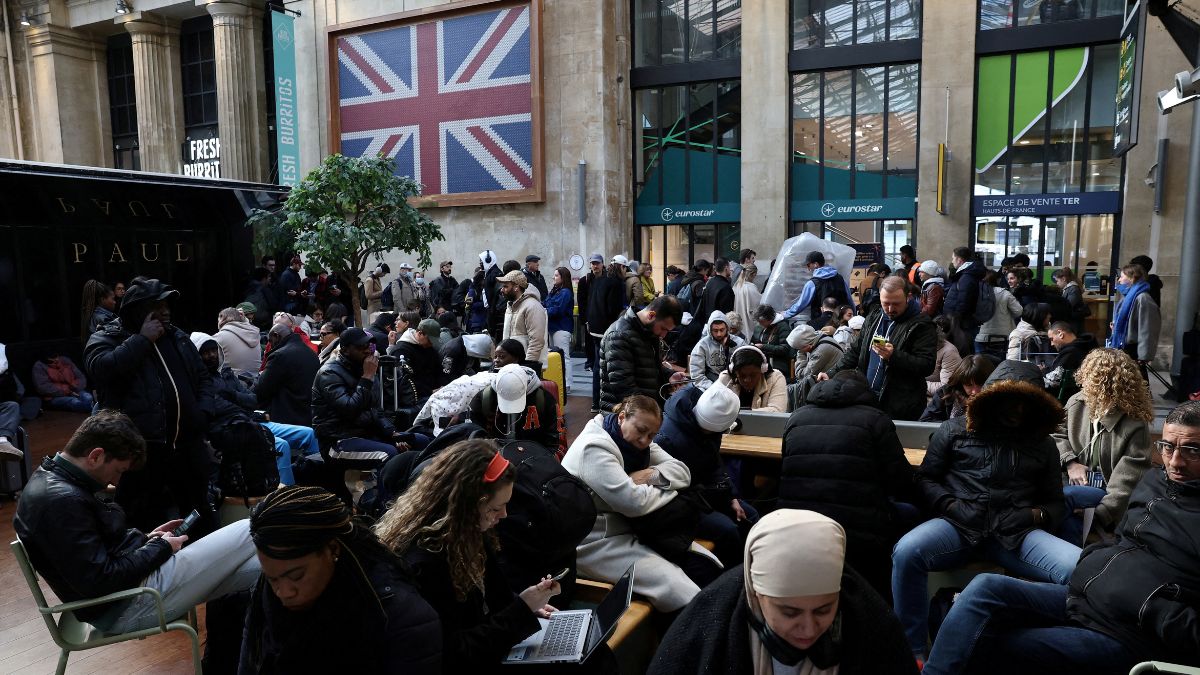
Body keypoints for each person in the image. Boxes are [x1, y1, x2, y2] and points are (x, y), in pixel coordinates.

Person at [922, 400, 1200, 674]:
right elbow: (1123, 542)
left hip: (1132, 635)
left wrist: (1151, 608)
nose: (1175, 461)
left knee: (993, 642)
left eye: (1191, 450)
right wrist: (1095, 559)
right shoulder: (1153, 481)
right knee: (984, 589)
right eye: (1167, 447)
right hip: (1088, 598)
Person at [893, 360, 1080, 661]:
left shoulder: (1042, 444)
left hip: (1016, 534)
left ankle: (1027, 644)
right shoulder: (954, 430)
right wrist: (950, 505)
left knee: (1079, 570)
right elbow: (925, 479)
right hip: (960, 526)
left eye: (1024, 404)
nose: (1015, 411)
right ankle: (911, 651)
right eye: (1009, 401)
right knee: (907, 551)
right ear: (993, 398)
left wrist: (1033, 515)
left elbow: (1055, 503)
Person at [13, 411, 261, 637]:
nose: (116, 480)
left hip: (125, 597)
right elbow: (100, 579)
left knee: (261, 566)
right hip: (127, 606)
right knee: (249, 529)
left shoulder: (52, 482)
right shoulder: (61, 501)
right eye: (118, 470)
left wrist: (144, 539)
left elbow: (91, 555)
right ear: (96, 456)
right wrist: (161, 547)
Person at [376, 439, 574, 672]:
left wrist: (524, 604)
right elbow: (456, 654)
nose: (504, 514)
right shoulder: (425, 561)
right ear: (466, 506)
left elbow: (491, 594)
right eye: (494, 508)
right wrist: (520, 611)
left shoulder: (468, 532)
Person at [649, 510, 918, 675]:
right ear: (755, 593)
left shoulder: (874, 628)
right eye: (789, 612)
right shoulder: (707, 623)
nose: (809, 629)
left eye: (824, 610)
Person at [240, 485, 441, 674]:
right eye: (272, 579)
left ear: (333, 549)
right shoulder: (265, 597)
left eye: (296, 576)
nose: (284, 593)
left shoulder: (398, 619)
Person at [84, 277, 218, 535]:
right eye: (157, 305)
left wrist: (203, 412)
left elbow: (203, 377)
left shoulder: (177, 336)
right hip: (142, 452)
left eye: (167, 304)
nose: (166, 311)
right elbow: (101, 369)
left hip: (187, 446)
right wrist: (142, 340)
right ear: (137, 309)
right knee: (143, 518)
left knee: (198, 513)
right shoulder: (109, 336)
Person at [562, 395, 716, 612]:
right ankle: (678, 641)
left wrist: (648, 476)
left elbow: (683, 472)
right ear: (622, 417)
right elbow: (634, 504)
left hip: (630, 529)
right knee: (675, 586)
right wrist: (668, 491)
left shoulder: (632, 442)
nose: (645, 440)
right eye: (641, 430)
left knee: (704, 564)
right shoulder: (594, 447)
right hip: (593, 542)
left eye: (652, 435)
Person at [781, 370, 917, 601]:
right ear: (864, 392)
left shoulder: (796, 418)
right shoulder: (876, 420)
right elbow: (901, 481)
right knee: (911, 513)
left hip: (799, 526)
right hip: (861, 536)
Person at [1052, 348, 1153, 544]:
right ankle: (1070, 561)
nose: (1085, 383)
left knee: (1067, 497)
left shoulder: (1134, 421)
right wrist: (1071, 463)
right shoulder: (1077, 402)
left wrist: (1102, 513)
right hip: (1071, 480)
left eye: (1093, 379)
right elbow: (1056, 434)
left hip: (1106, 492)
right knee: (1067, 517)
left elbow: (1128, 479)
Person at [192, 331, 317, 486]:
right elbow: (220, 408)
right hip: (234, 428)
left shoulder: (225, 372)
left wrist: (232, 395)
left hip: (253, 419)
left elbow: (253, 400)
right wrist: (239, 400)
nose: (211, 355)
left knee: (309, 434)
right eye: (205, 353)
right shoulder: (200, 382)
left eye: (213, 350)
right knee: (280, 446)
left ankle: (315, 487)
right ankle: (287, 499)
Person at [655, 383, 758, 568]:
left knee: (751, 516)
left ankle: (751, 568)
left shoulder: (706, 423)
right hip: (680, 503)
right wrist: (717, 499)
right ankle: (731, 577)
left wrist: (731, 496)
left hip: (702, 492)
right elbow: (667, 488)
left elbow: (714, 462)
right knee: (729, 530)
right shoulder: (667, 438)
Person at [821, 276, 937, 421]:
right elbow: (856, 351)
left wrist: (894, 356)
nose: (890, 309)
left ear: (908, 297)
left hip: (900, 405)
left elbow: (927, 365)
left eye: (896, 304)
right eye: (885, 303)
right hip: (867, 397)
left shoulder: (922, 325)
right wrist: (832, 373)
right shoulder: (874, 316)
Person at [310, 327, 406, 471]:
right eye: (361, 347)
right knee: (388, 454)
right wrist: (367, 377)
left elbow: (376, 410)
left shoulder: (363, 367)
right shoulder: (329, 373)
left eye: (368, 346)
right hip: (337, 441)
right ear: (345, 349)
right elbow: (349, 409)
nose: (367, 350)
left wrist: (391, 432)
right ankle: (387, 494)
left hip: (365, 434)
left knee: (418, 441)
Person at [598, 295, 681, 411]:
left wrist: (669, 375)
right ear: (651, 315)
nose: (663, 335)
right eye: (663, 328)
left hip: (641, 412)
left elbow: (648, 365)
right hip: (627, 417)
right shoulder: (619, 335)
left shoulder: (648, 331)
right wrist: (650, 412)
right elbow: (623, 386)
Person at [469, 361, 561, 446]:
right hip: (494, 456)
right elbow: (474, 437)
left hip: (534, 457)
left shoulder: (544, 399)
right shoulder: (483, 399)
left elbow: (555, 438)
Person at [255, 322, 320, 427]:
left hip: (285, 418)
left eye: (270, 341)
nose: (270, 346)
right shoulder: (311, 353)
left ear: (276, 335)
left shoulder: (280, 355)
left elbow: (261, 390)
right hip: (307, 416)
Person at [1111, 262, 1161, 376]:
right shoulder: (1129, 297)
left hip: (1134, 352)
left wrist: (1144, 356)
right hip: (1126, 349)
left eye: (1122, 277)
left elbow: (1148, 328)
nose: (1119, 280)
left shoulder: (1142, 298)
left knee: (1138, 388)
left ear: (1132, 278)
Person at [780, 251, 854, 324]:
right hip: (841, 323)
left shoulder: (812, 284)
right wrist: (853, 316)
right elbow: (849, 300)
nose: (808, 269)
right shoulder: (840, 279)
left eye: (808, 265)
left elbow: (801, 304)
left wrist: (785, 315)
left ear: (816, 264)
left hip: (821, 325)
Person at [920, 354, 996, 422]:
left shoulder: (999, 397)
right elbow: (926, 421)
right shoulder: (945, 393)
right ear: (960, 383)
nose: (975, 391)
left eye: (980, 384)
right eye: (969, 385)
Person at [498, 270, 548, 368]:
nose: (502, 290)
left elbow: (536, 340)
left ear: (516, 287)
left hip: (525, 367)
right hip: (513, 366)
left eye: (506, 286)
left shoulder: (532, 306)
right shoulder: (511, 306)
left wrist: (528, 366)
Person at [717, 345, 788, 412]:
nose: (747, 380)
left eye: (753, 375)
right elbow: (712, 408)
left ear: (763, 369)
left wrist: (732, 413)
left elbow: (778, 410)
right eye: (742, 375)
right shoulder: (726, 377)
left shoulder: (775, 378)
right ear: (734, 371)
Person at [388, 319, 445, 399]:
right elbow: (404, 381)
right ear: (420, 333)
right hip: (415, 398)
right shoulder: (401, 350)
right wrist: (430, 391)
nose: (431, 344)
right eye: (429, 340)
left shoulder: (428, 347)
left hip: (435, 393)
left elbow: (437, 368)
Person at [689, 310, 745, 390]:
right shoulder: (702, 346)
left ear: (727, 328)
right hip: (710, 386)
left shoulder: (739, 342)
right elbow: (697, 376)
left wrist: (732, 348)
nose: (719, 334)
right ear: (710, 330)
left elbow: (746, 364)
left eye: (722, 330)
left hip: (735, 385)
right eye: (715, 331)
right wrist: (715, 388)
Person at [974, 270, 1023, 360]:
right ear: (997, 280)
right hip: (1002, 337)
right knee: (1000, 366)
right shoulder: (1005, 293)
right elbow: (1019, 311)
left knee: (981, 366)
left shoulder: (976, 294)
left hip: (980, 336)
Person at [943, 246, 987, 345]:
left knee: (964, 349)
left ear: (959, 259)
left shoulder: (966, 277)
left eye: (953, 258)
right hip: (962, 322)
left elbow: (964, 301)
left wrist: (956, 319)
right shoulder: (966, 274)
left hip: (962, 323)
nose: (952, 261)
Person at [1041, 321, 1097, 396]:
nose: (1052, 344)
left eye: (1052, 339)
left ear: (1060, 334)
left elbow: (1054, 380)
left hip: (1064, 398)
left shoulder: (1071, 353)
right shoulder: (1085, 348)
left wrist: (1039, 372)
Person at [544, 266, 575, 385]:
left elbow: (557, 309)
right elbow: (546, 302)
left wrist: (544, 310)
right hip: (553, 327)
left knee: (563, 356)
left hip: (562, 328)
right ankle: (559, 381)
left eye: (556, 275)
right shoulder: (555, 290)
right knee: (555, 356)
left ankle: (567, 383)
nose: (554, 277)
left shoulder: (565, 292)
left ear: (563, 277)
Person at [214, 307, 263, 375]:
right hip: (256, 380)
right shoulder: (254, 334)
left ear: (222, 319)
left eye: (218, 320)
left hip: (234, 382)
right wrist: (244, 319)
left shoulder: (220, 337)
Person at [577, 253, 604, 371]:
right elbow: (581, 301)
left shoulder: (607, 279)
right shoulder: (584, 280)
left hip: (603, 316)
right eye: (593, 263)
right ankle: (590, 362)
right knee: (589, 340)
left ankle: (601, 362)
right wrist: (584, 319)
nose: (595, 266)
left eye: (597, 263)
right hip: (590, 316)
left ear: (603, 264)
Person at [751, 304, 793, 380]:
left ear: (770, 319)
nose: (760, 324)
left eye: (761, 322)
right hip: (762, 363)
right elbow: (753, 341)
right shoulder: (760, 327)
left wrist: (764, 346)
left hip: (777, 365)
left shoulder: (783, 327)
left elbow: (785, 348)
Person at [927, 315, 963, 397]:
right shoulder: (917, 347)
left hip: (938, 398)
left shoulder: (949, 352)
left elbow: (945, 388)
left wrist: (918, 384)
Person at [1051, 267, 1089, 334]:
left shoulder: (1073, 289)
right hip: (1071, 321)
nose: (1057, 283)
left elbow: (1069, 305)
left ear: (1064, 279)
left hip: (1074, 322)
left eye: (1057, 281)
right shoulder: (1068, 288)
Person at [733, 263, 762, 338]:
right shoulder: (751, 288)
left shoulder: (736, 287)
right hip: (749, 326)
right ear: (753, 274)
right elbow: (757, 308)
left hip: (738, 324)